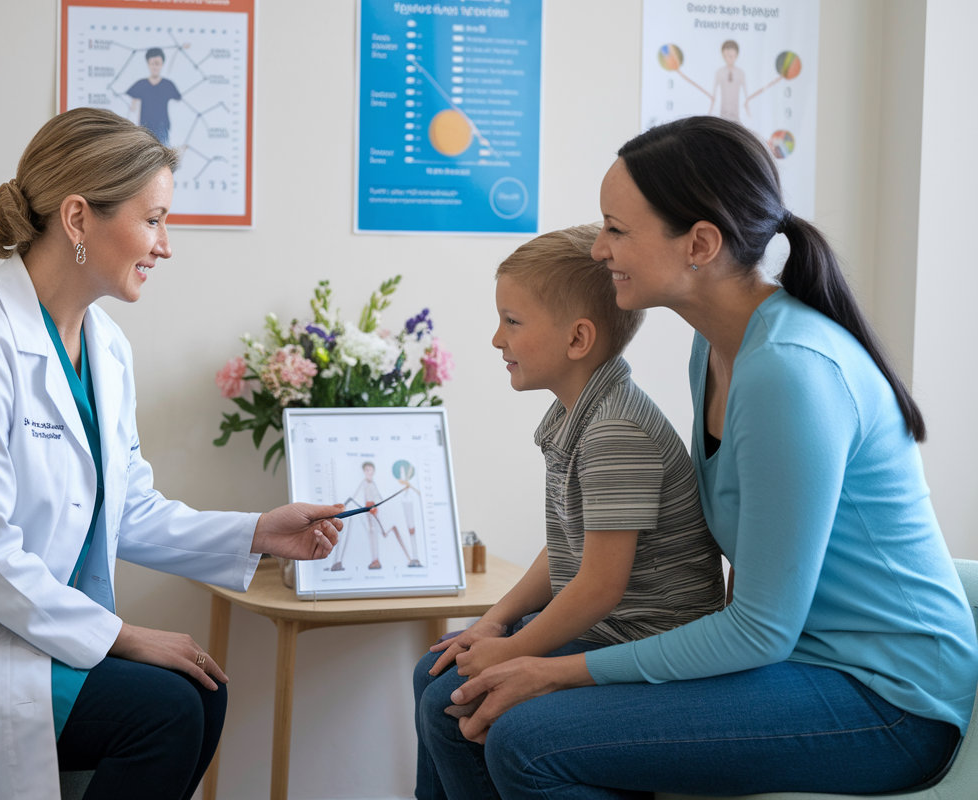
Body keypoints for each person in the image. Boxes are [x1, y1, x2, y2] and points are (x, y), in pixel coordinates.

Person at [0, 108, 344, 800]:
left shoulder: (106, 349)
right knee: (166, 710)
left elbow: (125, 505)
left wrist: (255, 532)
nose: (165, 245)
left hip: (15, 627)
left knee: (199, 692)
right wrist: (122, 635)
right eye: (152, 219)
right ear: (77, 219)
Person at [444, 116, 978, 798]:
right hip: (795, 666)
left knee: (528, 738)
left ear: (699, 243)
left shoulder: (790, 372)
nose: (599, 249)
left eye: (616, 228)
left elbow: (759, 630)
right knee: (463, 702)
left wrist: (551, 670)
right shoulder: (716, 349)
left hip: (887, 702)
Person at [413, 223, 726, 799]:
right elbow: (567, 550)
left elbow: (600, 587)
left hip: (637, 641)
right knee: (433, 673)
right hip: (606, 628)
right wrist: (495, 620)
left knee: (451, 702)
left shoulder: (615, 430)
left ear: (577, 339)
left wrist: (509, 650)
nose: (495, 339)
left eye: (512, 321)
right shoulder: (578, 414)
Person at [127, 47, 183, 145]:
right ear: (148, 64)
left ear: (162, 64)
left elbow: (179, 103)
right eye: (152, 64)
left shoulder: (168, 85)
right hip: (144, 131)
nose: (155, 67)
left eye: (157, 64)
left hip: (163, 130)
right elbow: (132, 107)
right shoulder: (141, 84)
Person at [710, 39, 749, 122]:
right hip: (723, 113)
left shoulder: (740, 73)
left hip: (736, 114)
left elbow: (746, 94)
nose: (729, 59)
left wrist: (748, 112)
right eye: (726, 56)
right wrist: (709, 112)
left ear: (736, 55)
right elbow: (714, 94)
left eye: (732, 56)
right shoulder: (720, 72)